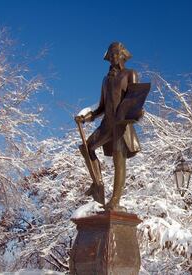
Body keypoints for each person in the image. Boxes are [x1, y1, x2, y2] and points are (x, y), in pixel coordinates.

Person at [75, 42, 142, 211]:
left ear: (123, 55)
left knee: (119, 161)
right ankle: (98, 184)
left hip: (122, 124)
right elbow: (101, 107)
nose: (113, 57)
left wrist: (137, 112)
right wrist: (85, 116)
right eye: (110, 55)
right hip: (107, 124)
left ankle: (115, 200)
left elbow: (135, 97)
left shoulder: (130, 74)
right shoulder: (106, 80)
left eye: (116, 54)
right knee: (87, 147)